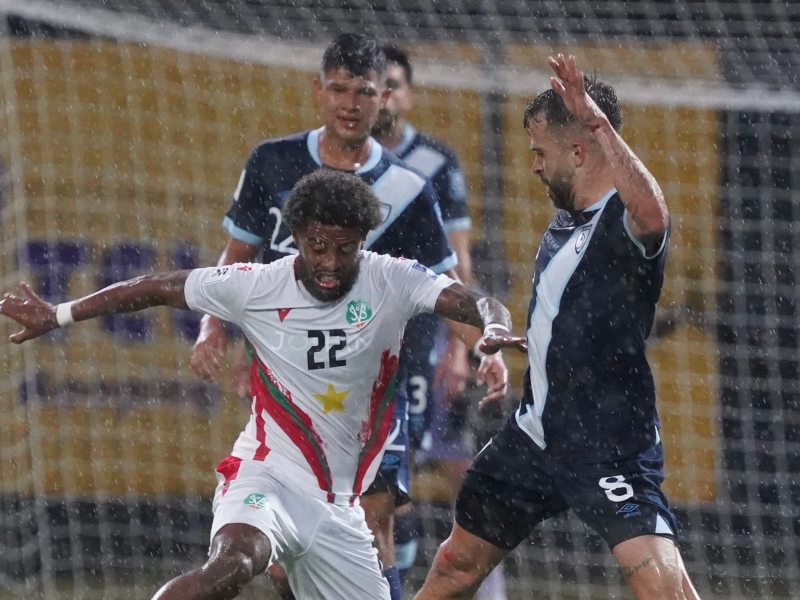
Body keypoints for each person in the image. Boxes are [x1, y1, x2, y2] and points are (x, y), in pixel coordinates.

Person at [0, 170, 525, 600]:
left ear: (361, 242)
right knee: (234, 563)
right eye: (317, 246)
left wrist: (493, 326)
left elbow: (474, 300)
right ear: (295, 236)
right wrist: (60, 313)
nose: (329, 262)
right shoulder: (256, 285)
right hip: (266, 474)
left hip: (340, 507)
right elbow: (155, 287)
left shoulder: (392, 278)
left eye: (344, 249)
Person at [188, 33, 508, 600]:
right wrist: (214, 328)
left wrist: (475, 346)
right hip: (288, 376)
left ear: (384, 97)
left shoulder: (410, 189)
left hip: (378, 384)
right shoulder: (272, 161)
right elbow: (234, 263)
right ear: (319, 90)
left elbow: (449, 286)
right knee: (288, 550)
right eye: (339, 89)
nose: (350, 104)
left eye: (363, 91)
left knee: (373, 519)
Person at [413, 54, 701, 600]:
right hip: (537, 435)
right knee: (454, 565)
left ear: (579, 149)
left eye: (540, 152)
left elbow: (655, 215)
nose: (535, 165)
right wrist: (532, 342)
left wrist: (597, 121)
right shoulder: (566, 219)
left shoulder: (624, 220)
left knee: (661, 587)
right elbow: (582, 313)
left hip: (609, 445)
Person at [371, 45, 508, 599]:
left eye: (394, 84)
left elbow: (459, 261)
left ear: (410, 93)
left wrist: (461, 349)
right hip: (361, 340)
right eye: (375, 83)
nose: (384, 95)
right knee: (374, 485)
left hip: (427, 337)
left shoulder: (435, 161)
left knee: (462, 474)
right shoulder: (337, 159)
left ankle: (489, 593)